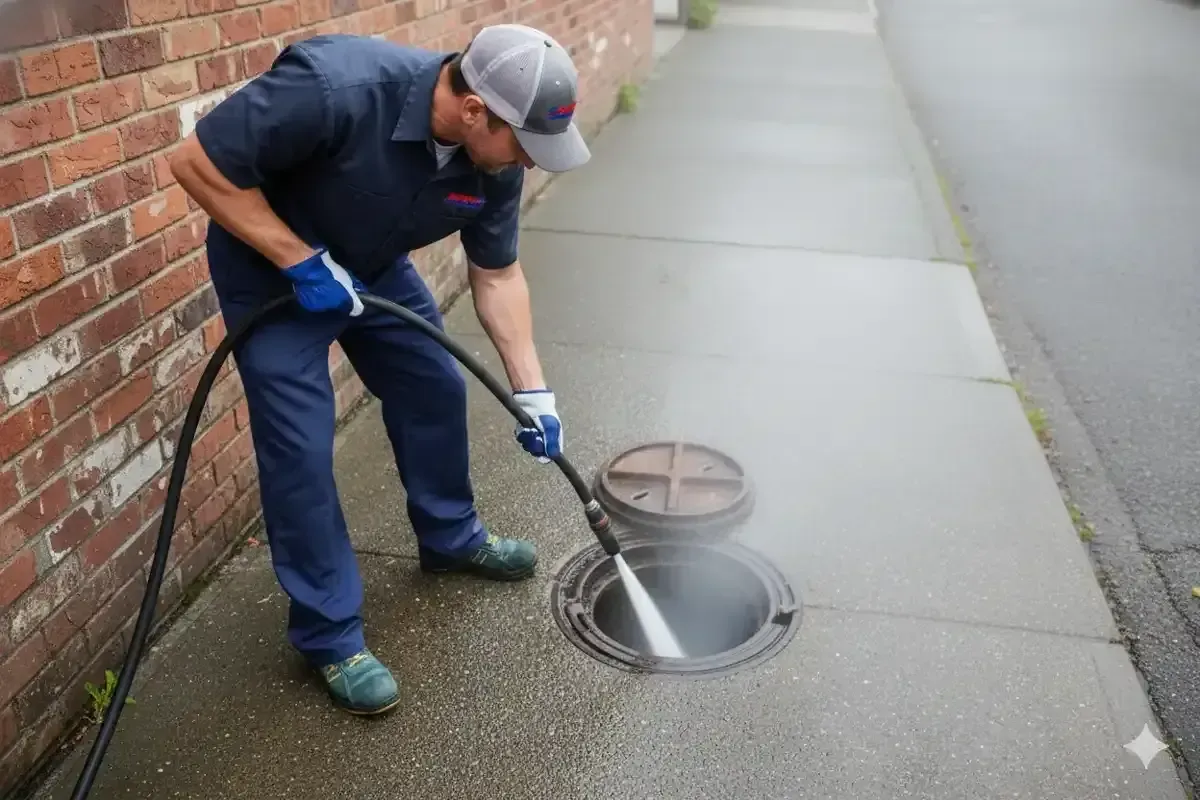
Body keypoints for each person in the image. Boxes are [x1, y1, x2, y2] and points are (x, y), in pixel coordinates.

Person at [168, 24, 590, 716]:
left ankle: (451, 538)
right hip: (271, 275)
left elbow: (498, 275)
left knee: (432, 384)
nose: (530, 163)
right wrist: (296, 258)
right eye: (524, 144)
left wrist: (533, 389)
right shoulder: (334, 88)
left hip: (371, 267)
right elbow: (195, 163)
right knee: (300, 448)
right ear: (476, 110)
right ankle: (329, 634)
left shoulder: (495, 162)